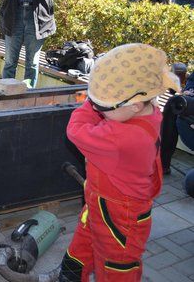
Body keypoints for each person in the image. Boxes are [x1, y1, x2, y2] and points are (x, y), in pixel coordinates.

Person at [58, 43, 180, 282]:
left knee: (115, 266)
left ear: (135, 105)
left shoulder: (120, 138)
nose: (97, 108)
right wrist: (104, 102)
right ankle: (70, 276)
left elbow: (75, 130)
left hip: (119, 216)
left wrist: (89, 104)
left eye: (103, 105)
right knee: (82, 246)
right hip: (100, 202)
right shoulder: (149, 111)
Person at [0, 0, 56, 88]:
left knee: (32, 64)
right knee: (10, 62)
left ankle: (28, 96)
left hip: (37, 16)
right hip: (14, 14)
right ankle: (6, 95)